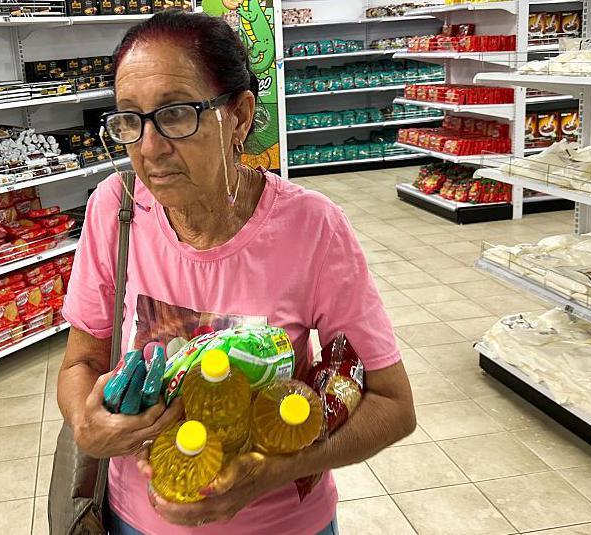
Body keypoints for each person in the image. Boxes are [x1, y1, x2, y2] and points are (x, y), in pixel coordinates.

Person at [57, 10, 416, 535]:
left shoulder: (311, 226)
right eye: (129, 119)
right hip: (137, 521)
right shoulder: (117, 207)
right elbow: (80, 362)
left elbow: (394, 406)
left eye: (176, 113)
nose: (149, 147)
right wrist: (86, 423)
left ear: (241, 116)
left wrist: (272, 472)